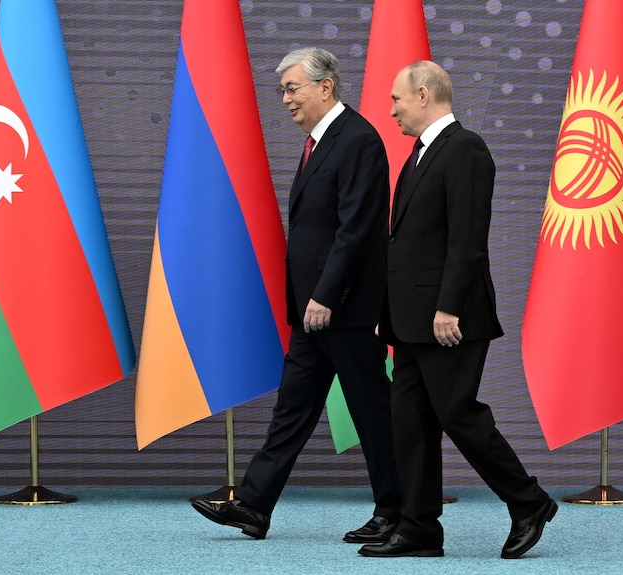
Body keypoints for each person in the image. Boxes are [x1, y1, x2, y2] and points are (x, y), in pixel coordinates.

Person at [191, 47, 401, 542]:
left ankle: (396, 511)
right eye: (281, 90)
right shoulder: (317, 142)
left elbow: (356, 230)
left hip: (343, 308)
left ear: (325, 87)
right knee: (291, 411)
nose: (284, 99)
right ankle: (254, 506)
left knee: (373, 414)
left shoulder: (358, 140)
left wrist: (327, 295)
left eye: (292, 88)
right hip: (312, 310)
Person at [360, 60, 557, 559]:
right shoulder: (419, 154)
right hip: (409, 321)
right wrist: (388, 310)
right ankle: (420, 528)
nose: (392, 110)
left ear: (423, 95)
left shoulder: (465, 149)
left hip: (449, 318)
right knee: (410, 422)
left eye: (397, 100)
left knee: (458, 414)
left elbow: (467, 241)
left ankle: (528, 502)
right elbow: (403, 243)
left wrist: (448, 307)